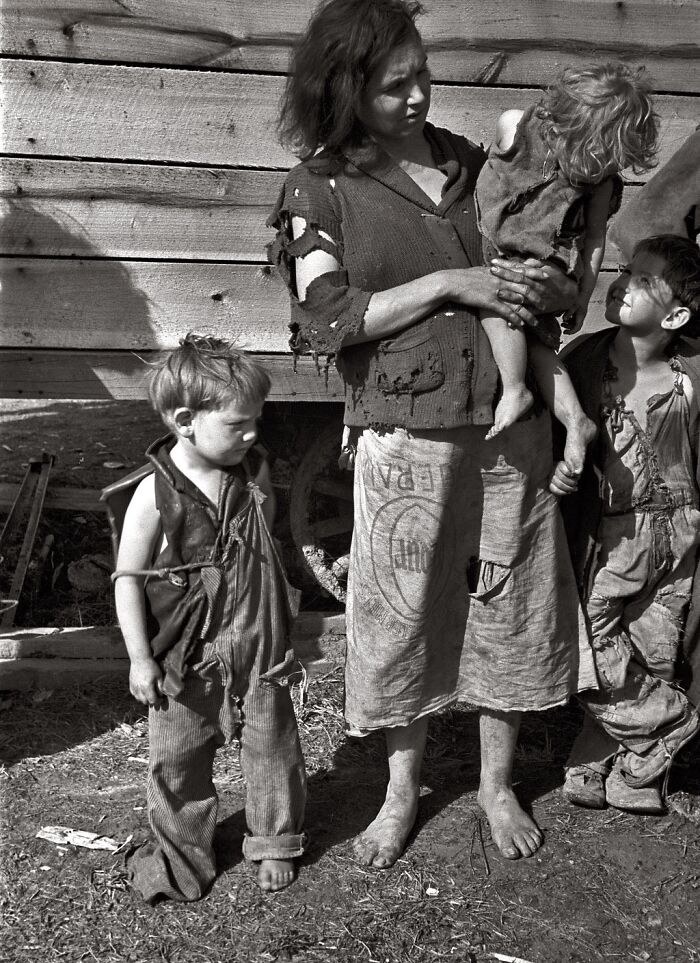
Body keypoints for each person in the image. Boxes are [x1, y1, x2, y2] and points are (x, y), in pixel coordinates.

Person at [269, 0, 596, 865]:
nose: (417, 96)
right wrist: (456, 282)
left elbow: (536, 274)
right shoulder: (321, 188)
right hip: (401, 431)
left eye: (422, 75)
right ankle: (399, 790)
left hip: (504, 422)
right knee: (402, 614)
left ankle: (494, 784)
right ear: (344, 91)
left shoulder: (471, 164)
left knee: (511, 604)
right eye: (393, 85)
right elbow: (324, 317)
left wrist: (555, 276)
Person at [109, 334, 306, 901]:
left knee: (273, 748)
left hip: (256, 642)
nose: (252, 435)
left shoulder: (250, 475)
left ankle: (274, 841)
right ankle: (181, 856)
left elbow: (265, 552)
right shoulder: (153, 494)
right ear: (185, 420)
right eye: (239, 424)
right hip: (186, 652)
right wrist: (140, 658)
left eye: (256, 422)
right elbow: (128, 580)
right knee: (177, 762)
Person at [549, 236, 700, 813]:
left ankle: (624, 769)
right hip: (612, 535)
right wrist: (561, 475)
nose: (621, 280)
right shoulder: (584, 361)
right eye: (623, 269)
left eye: (641, 279)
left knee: (654, 645)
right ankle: (675, 722)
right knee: (587, 642)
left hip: (680, 531)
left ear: (677, 316)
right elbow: (557, 437)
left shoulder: (692, 374)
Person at [475, 63, 658, 441]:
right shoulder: (516, 126)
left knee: (504, 307)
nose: (604, 172)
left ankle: (516, 390)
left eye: (613, 166)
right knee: (533, 339)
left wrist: (583, 295)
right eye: (600, 160)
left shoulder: (602, 183)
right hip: (488, 242)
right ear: (568, 129)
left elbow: (593, 239)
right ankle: (576, 420)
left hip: (538, 259)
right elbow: (492, 173)